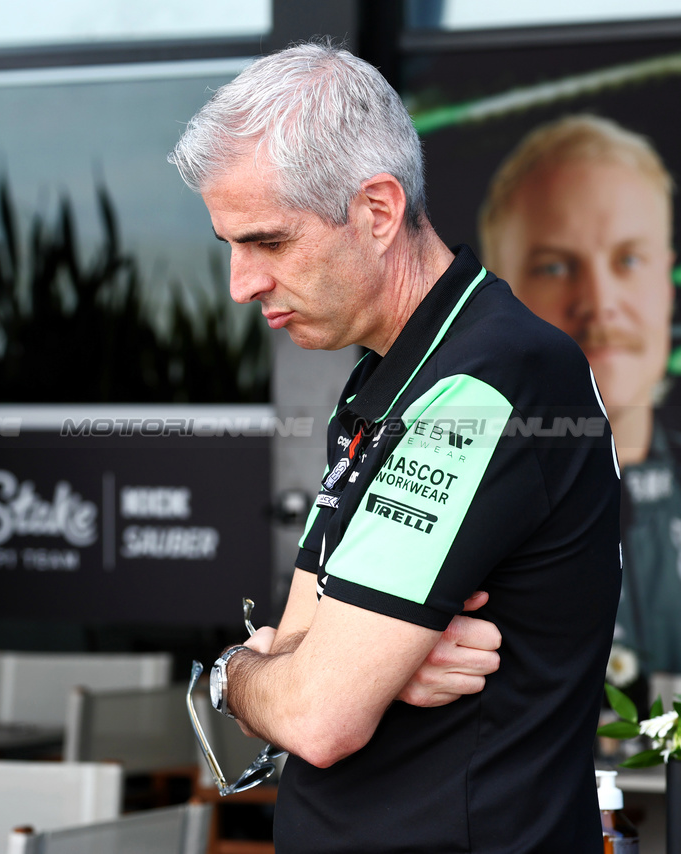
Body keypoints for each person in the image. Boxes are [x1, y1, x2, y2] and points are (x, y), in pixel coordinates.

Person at [170, 43, 620, 852]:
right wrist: (328, 664)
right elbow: (307, 647)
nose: (241, 284)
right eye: (230, 247)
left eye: (267, 243)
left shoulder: (488, 382)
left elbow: (318, 714)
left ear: (378, 211)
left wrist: (238, 674)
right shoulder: (389, 378)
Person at [481, 114, 681, 677]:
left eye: (630, 259)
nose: (599, 301)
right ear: (500, 297)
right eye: (554, 266)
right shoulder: (444, 492)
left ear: (667, 283)